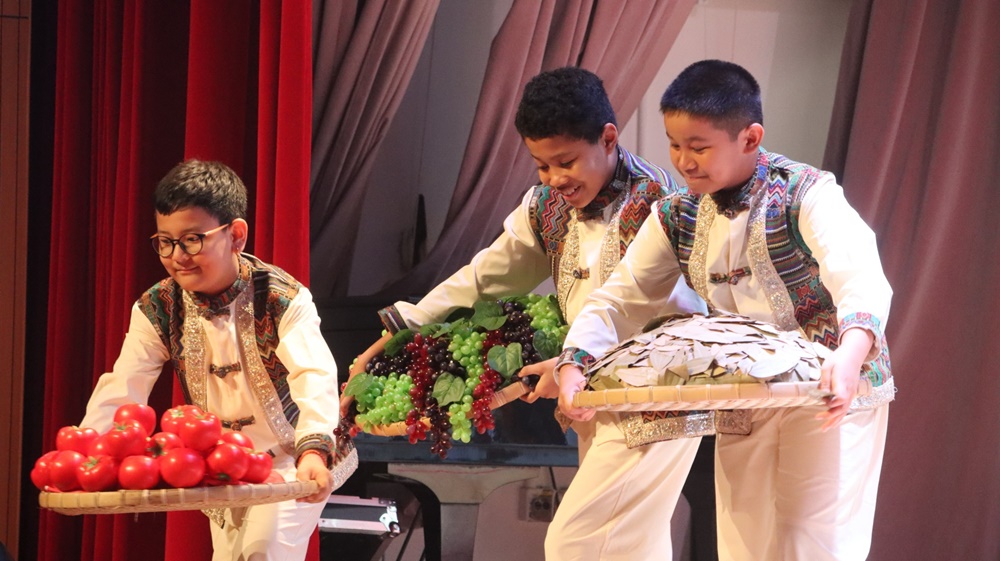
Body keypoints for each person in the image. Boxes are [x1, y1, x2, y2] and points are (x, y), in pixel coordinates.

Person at [344, 66, 707, 560]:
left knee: (579, 542)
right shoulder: (546, 208)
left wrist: (574, 361)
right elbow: (484, 278)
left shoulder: (661, 205)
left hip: (658, 394)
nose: (555, 179)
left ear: (608, 139)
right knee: (631, 545)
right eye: (541, 165)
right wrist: (405, 327)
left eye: (566, 162)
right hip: (592, 397)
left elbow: (669, 319)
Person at [557, 59, 895, 561]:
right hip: (745, 392)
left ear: (750, 138)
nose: (683, 162)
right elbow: (620, 298)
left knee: (810, 540)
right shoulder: (678, 214)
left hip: (828, 387)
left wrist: (848, 357)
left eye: (699, 147)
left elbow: (859, 274)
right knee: (745, 540)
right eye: (674, 145)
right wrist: (574, 362)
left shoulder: (804, 194)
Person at [79, 159, 354, 560]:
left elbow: (314, 375)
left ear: (236, 235)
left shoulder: (281, 298)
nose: (178, 256)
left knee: (261, 554)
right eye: (165, 242)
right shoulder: (158, 307)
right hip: (224, 466)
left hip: (293, 460)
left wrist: (313, 450)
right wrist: (89, 451)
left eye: (192, 240)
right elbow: (125, 384)